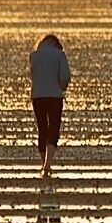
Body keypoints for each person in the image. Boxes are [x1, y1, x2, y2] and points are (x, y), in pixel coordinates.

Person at [28, 33, 71, 178]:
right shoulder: (60, 55)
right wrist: (61, 87)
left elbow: (32, 76)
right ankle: (48, 165)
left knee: (42, 129)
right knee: (53, 128)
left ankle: (43, 164)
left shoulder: (34, 56)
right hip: (54, 96)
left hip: (38, 96)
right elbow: (65, 76)